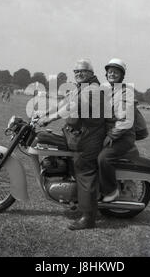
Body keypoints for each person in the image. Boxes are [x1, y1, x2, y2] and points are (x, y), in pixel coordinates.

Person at [37, 59, 105, 230]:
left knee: (84, 171)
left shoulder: (93, 90)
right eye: (75, 71)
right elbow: (63, 103)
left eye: (82, 71)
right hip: (77, 135)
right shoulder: (80, 88)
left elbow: (72, 108)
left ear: (91, 73)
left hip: (89, 139)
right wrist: (43, 113)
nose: (78, 74)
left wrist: (49, 119)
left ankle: (88, 218)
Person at [98, 58, 139, 202]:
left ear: (122, 75)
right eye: (110, 71)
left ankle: (111, 191)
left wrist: (111, 136)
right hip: (108, 134)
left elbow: (126, 120)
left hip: (123, 137)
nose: (112, 74)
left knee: (104, 158)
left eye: (116, 72)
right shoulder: (106, 90)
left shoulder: (126, 92)